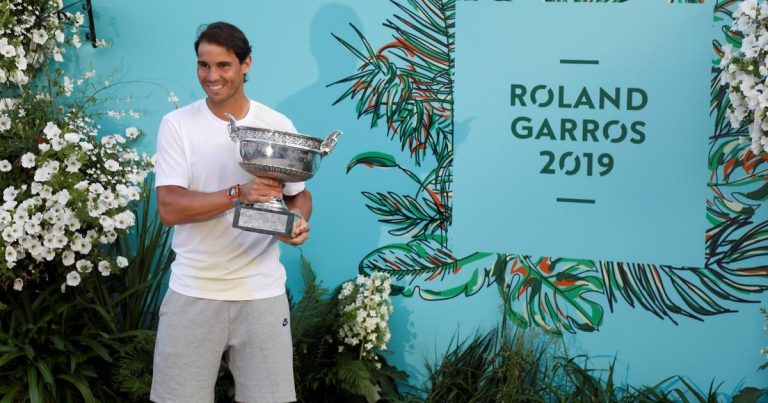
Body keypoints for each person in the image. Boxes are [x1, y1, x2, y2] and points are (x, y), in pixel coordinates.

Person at [150, 21, 310, 403]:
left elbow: (299, 195)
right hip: (194, 291)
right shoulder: (177, 125)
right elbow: (169, 208)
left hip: (261, 293)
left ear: (246, 64)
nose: (212, 76)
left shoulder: (276, 125)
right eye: (204, 65)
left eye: (223, 65)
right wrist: (239, 192)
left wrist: (298, 222)